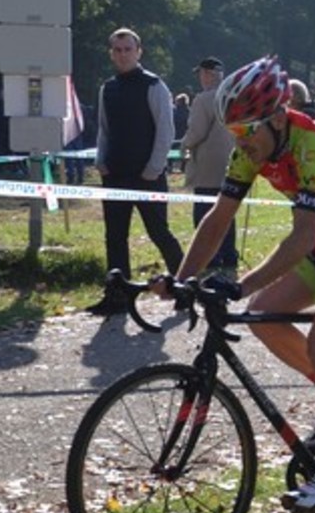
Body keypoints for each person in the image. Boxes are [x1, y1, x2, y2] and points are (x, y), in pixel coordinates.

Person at [158, 56, 315, 510]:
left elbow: (301, 239)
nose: (240, 141)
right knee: (263, 314)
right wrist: (182, 281)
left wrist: (240, 284)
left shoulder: (314, 147)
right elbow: (219, 218)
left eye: (246, 130)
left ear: (277, 118)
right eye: (232, 131)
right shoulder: (251, 150)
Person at [86, 28, 183, 317]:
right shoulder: (107, 88)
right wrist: (101, 160)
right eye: (117, 50)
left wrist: (154, 168)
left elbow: (166, 130)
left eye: (128, 49)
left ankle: (185, 289)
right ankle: (117, 296)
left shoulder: (154, 85)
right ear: (111, 53)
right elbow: (104, 129)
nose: (123, 54)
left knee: (159, 233)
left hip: (147, 176)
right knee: (115, 237)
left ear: (138, 52)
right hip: (114, 175)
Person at [180, 57, 238, 272]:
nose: (201, 78)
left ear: (208, 74)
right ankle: (229, 254)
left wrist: (184, 145)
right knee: (227, 211)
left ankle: (209, 257)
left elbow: (196, 132)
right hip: (231, 160)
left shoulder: (203, 99)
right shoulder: (234, 97)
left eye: (202, 74)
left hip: (207, 164)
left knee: (204, 212)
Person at [172, 92, 191, 173]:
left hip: (175, 135)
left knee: (172, 150)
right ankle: (183, 167)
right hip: (185, 135)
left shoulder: (174, 112)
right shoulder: (189, 112)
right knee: (184, 152)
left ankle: (170, 167)